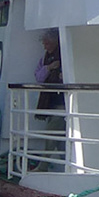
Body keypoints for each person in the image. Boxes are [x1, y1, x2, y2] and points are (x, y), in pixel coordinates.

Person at [32, 30, 67, 170]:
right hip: (50, 103)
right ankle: (68, 164)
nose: (45, 46)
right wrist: (49, 68)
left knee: (51, 134)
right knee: (58, 139)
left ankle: (43, 165)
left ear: (55, 42)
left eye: (47, 43)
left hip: (60, 103)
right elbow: (38, 77)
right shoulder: (46, 58)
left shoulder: (64, 55)